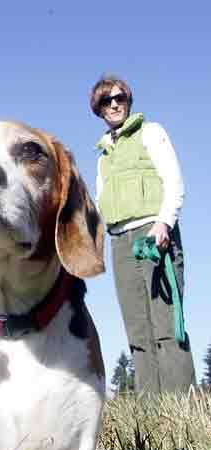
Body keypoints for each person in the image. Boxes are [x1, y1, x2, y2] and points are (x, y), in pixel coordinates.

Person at [90, 74, 195, 395]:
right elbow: (100, 204)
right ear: (99, 109)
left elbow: (173, 181)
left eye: (120, 97)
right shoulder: (104, 155)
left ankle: (181, 410)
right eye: (107, 100)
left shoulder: (151, 133)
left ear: (129, 101)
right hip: (120, 242)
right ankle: (151, 412)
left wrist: (164, 223)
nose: (115, 104)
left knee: (166, 327)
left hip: (153, 232)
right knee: (138, 332)